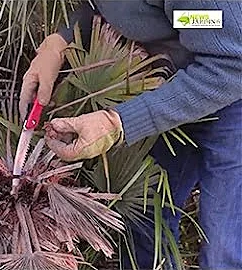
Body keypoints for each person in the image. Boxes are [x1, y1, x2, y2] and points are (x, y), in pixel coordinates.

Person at [19, 0, 242, 269]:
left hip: (231, 85)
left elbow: (230, 63)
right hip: (170, 83)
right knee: (144, 220)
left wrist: (116, 122)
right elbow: (99, 6)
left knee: (223, 239)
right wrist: (57, 43)